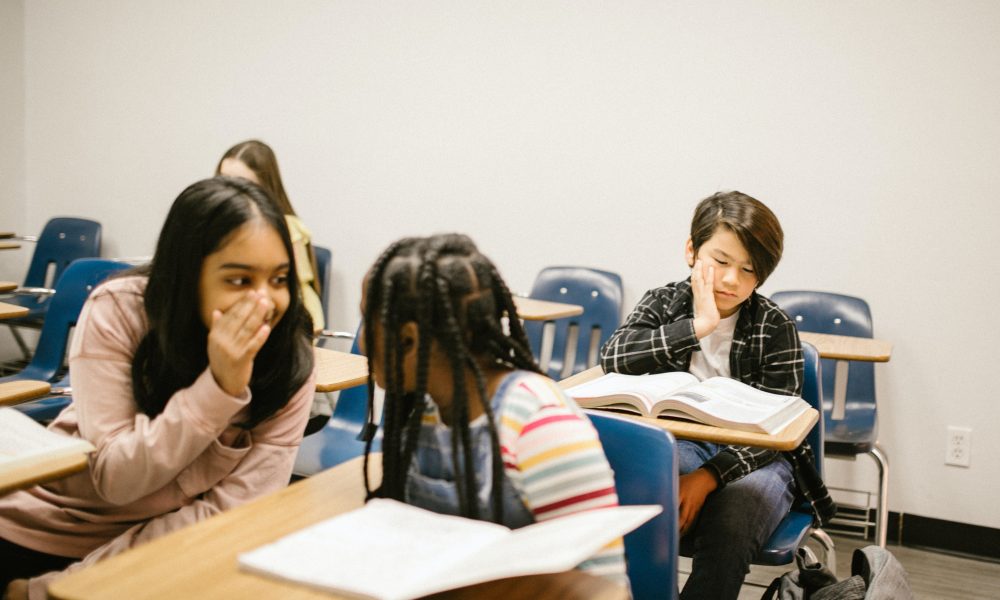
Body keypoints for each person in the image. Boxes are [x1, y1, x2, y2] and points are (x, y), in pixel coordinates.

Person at [0, 177, 316, 599]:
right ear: (187, 274)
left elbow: (231, 513)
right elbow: (116, 480)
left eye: (278, 279)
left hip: (167, 552)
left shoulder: (290, 359)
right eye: (240, 281)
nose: (265, 302)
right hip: (45, 527)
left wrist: (54, 590)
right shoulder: (120, 310)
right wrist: (218, 388)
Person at [600, 191, 835, 600]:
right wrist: (699, 325)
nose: (731, 280)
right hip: (682, 442)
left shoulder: (774, 324)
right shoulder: (663, 302)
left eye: (748, 270)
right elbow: (613, 357)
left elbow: (779, 428)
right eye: (721, 261)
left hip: (757, 459)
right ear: (692, 250)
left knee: (735, 518)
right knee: (641, 481)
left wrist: (708, 479)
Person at [359, 233, 628, 587]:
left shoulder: (542, 426)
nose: (361, 341)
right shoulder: (419, 407)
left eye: (367, 321)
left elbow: (605, 589)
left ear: (409, 340)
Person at [217, 139, 325, 332]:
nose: (229, 193)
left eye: (242, 185)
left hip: (293, 323)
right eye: (223, 181)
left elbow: (294, 297)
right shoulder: (216, 226)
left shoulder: (288, 229)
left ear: (264, 188)